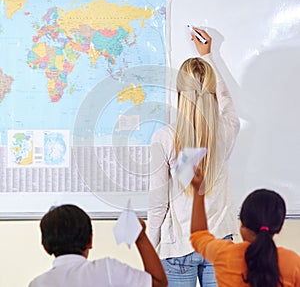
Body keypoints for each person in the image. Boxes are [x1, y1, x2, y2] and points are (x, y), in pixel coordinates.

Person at [147, 28, 240, 286]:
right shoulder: (227, 130)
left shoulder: (164, 138)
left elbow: (158, 205)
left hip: (178, 247)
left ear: (179, 94)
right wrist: (208, 57)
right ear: (209, 91)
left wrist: (151, 250)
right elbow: (226, 100)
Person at [190, 170, 300, 287]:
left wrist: (199, 191)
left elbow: (199, 235)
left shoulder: (224, 255)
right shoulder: (292, 263)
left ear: (242, 224)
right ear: (279, 228)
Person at [28, 204, 168, 287]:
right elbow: (158, 283)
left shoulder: (37, 284)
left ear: (46, 247)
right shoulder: (107, 269)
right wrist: (141, 237)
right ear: (90, 240)